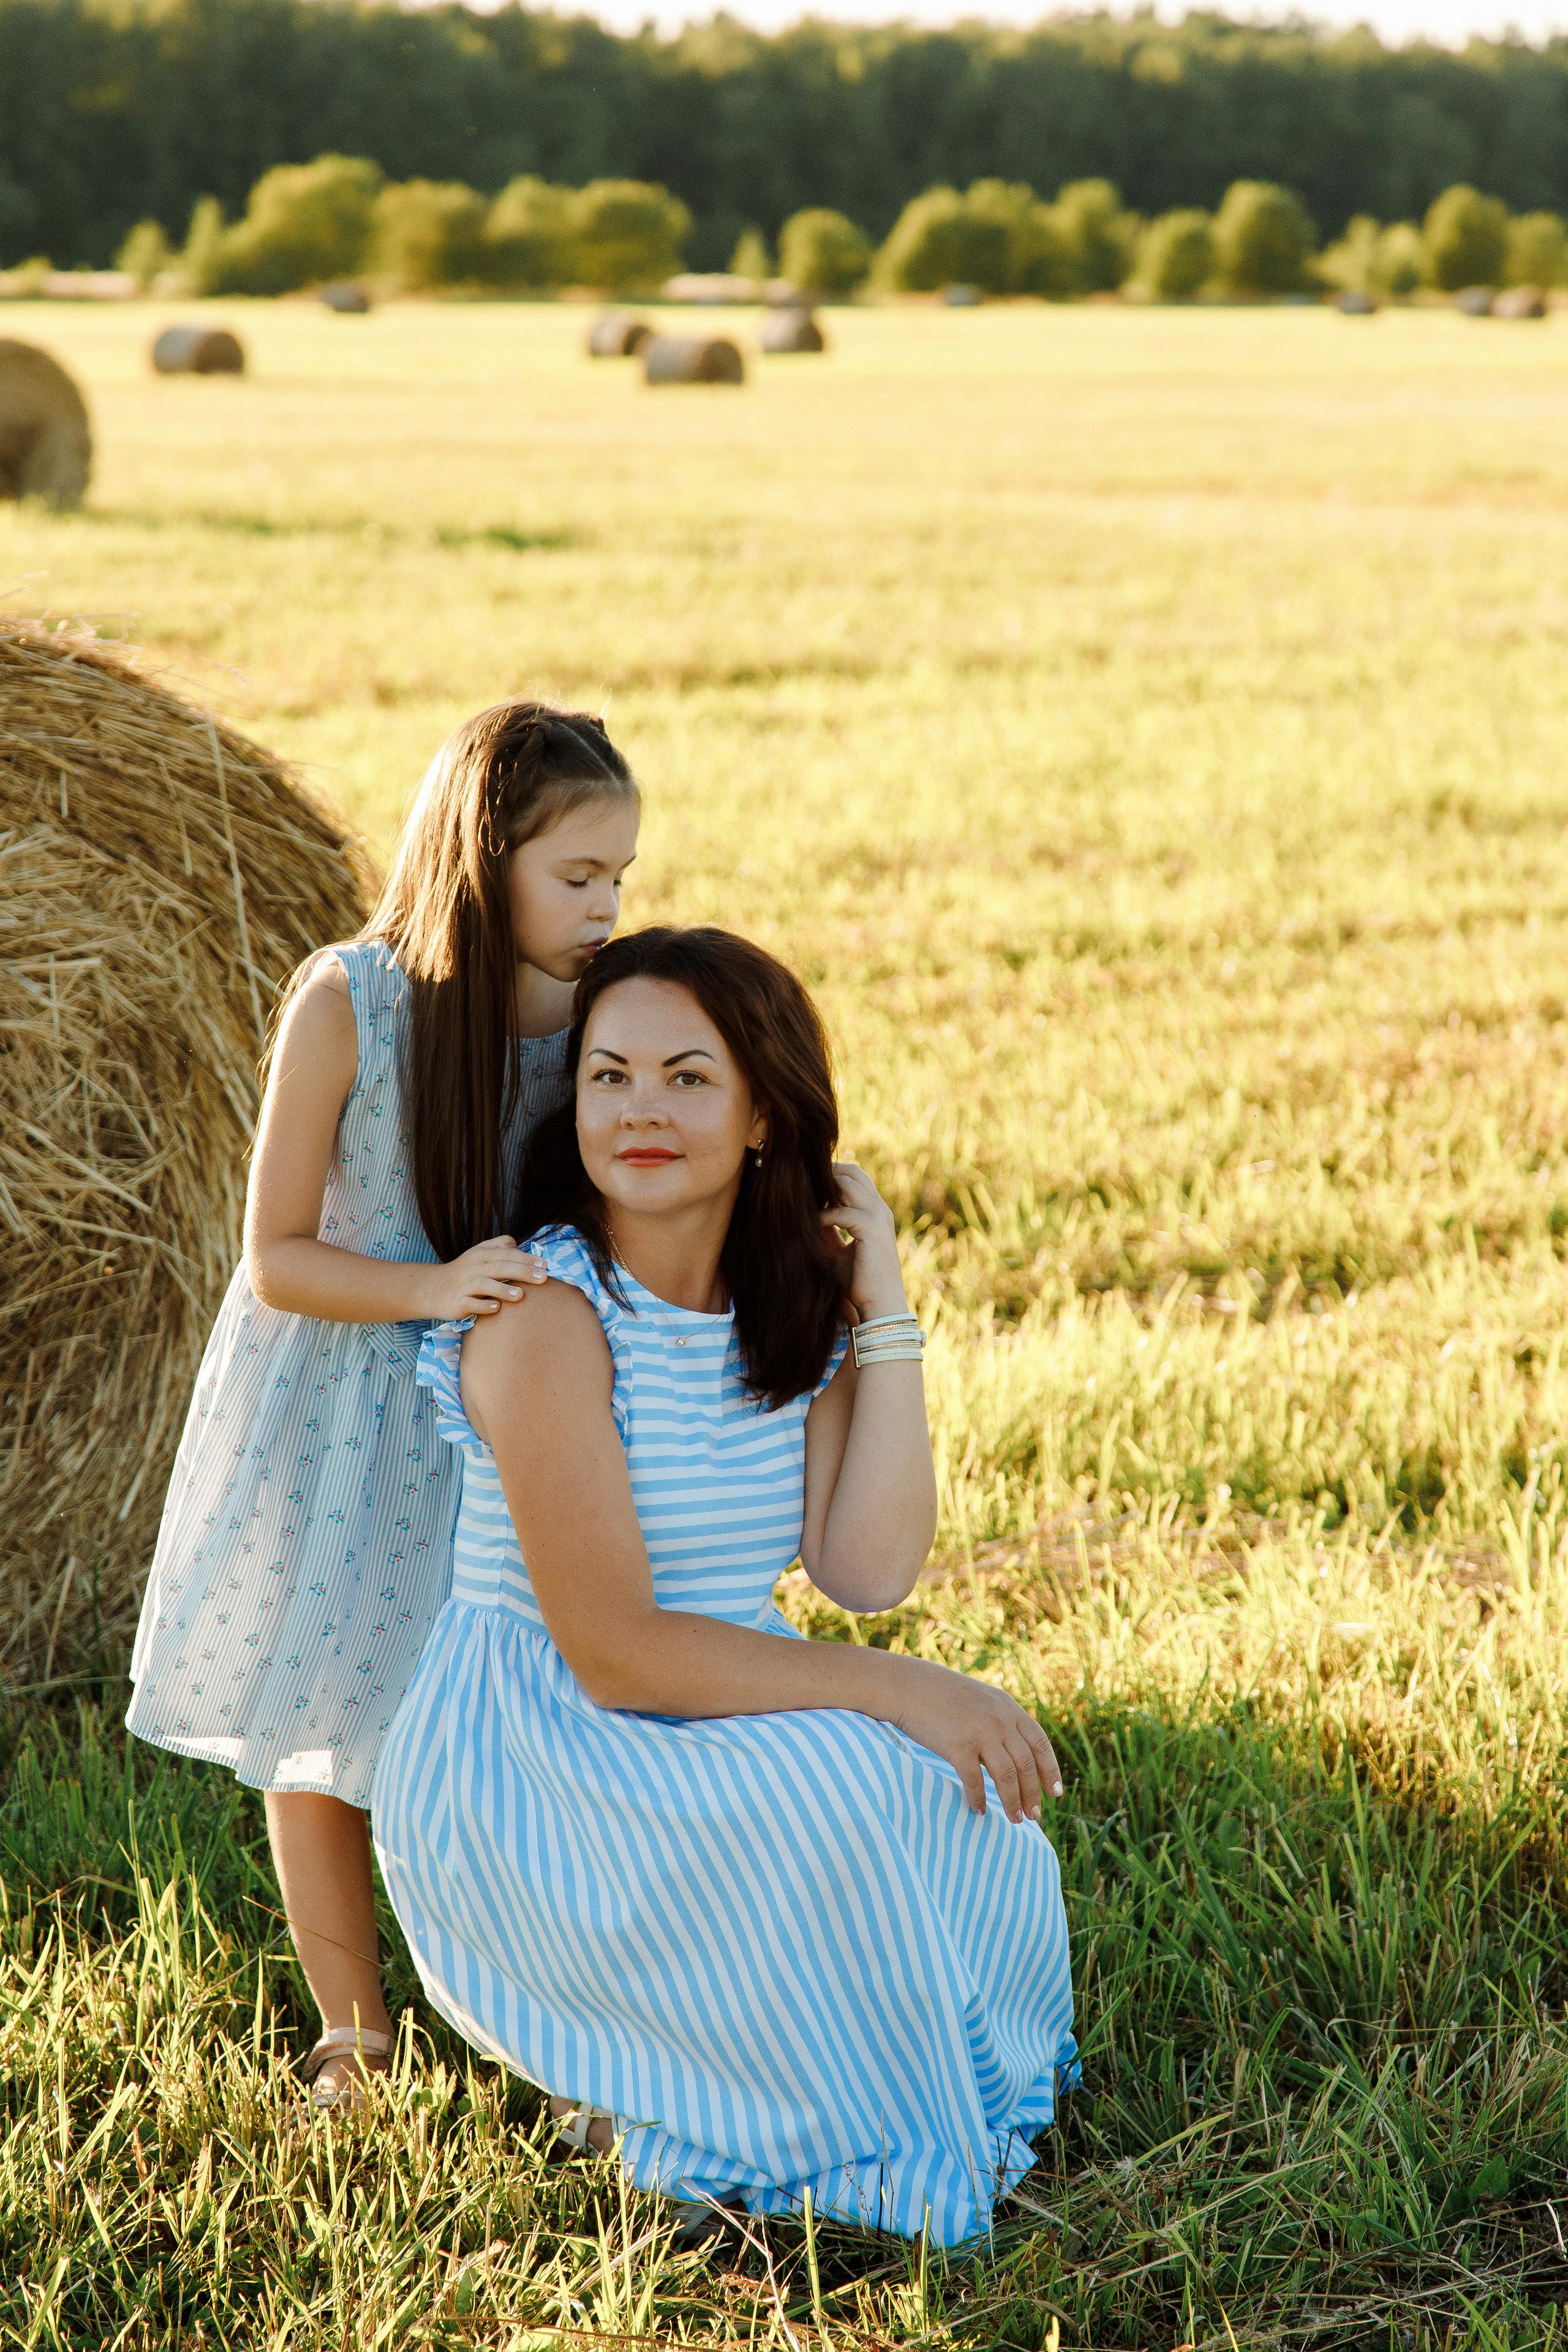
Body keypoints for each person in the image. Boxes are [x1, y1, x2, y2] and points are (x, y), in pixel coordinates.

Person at [372, 925, 1077, 2247]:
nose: (640, 1108)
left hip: (711, 1694)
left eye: (688, 1078)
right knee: (856, 1786)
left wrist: (881, 1309)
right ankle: (699, 2100)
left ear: (762, 1113)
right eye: (609, 1075)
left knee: (947, 1793)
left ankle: (842, 2079)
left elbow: (865, 1570)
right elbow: (614, 1654)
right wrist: (900, 1691)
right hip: (542, 1752)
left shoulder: (778, 1309)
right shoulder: (543, 1317)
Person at [126, 699, 641, 2109]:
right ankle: (353, 2031)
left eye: (619, 878)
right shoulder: (351, 1000)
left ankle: (545, 2007)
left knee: (501, 1711)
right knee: (330, 1716)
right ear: (487, 859)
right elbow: (277, 1257)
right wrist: (433, 1290)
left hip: (511, 1418)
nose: (604, 905)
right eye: (577, 875)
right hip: (351, 1405)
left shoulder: (606, 1014)